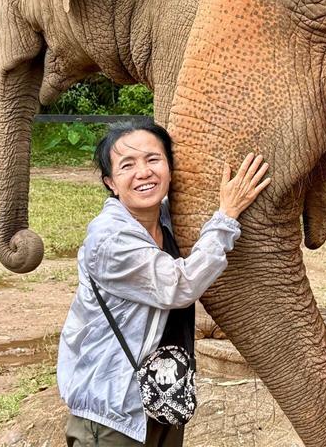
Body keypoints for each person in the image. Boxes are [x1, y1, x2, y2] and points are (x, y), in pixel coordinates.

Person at [57, 118, 270, 446]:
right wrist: (227, 215)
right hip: (113, 413)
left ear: (171, 168)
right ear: (111, 183)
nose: (143, 172)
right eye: (127, 165)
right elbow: (180, 286)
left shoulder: (167, 220)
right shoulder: (110, 240)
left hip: (162, 398)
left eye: (153, 159)